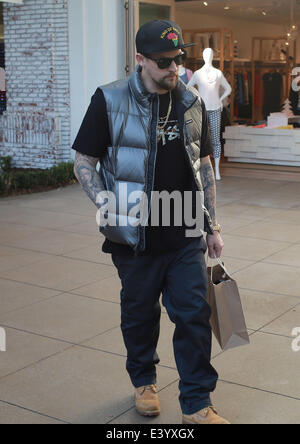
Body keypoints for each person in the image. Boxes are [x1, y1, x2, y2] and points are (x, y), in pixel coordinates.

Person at [73, 19, 229, 425]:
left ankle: (197, 402)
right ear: (139, 59)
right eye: (163, 62)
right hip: (134, 238)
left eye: (178, 59)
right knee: (140, 314)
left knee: (194, 314)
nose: (173, 69)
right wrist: (108, 207)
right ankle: (144, 381)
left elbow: (205, 166)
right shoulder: (108, 100)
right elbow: (84, 163)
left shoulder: (191, 102)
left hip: (185, 231)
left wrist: (212, 226)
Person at [189, 48, 232, 181]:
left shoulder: (218, 73)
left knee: (216, 140)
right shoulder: (197, 73)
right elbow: (188, 87)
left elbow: (228, 88)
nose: (208, 57)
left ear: (213, 56)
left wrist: (220, 99)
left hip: (215, 108)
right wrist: (196, 100)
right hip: (201, 109)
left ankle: (216, 170)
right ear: (202, 56)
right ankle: (201, 169)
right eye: (206, 54)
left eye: (210, 54)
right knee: (200, 139)